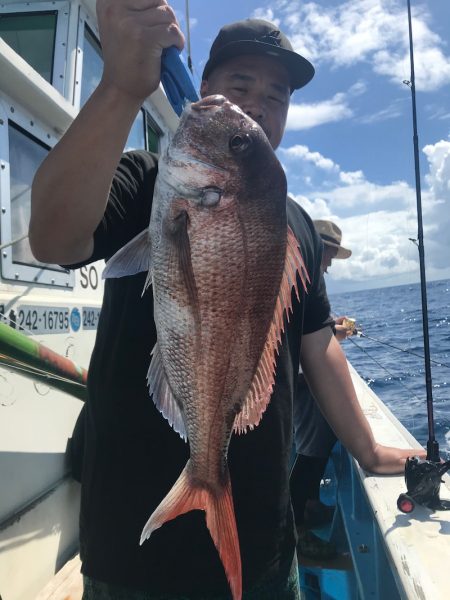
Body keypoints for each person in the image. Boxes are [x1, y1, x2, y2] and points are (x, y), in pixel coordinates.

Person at [29, 3, 423, 598]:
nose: (260, 103)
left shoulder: (295, 227)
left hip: (262, 535)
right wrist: (119, 89)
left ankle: (206, 481)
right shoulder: (144, 180)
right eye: (241, 84)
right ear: (204, 87)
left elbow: (319, 346)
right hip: (132, 545)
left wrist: (367, 450)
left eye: (278, 95)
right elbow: (54, 238)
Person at [291, 220, 354, 561]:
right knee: (311, 451)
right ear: (316, 246)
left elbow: (310, 325)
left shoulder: (303, 274)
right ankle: (299, 536)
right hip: (300, 378)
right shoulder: (300, 274)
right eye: (329, 254)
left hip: (299, 374)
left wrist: (333, 328)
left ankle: (310, 505)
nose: (329, 263)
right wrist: (334, 331)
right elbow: (304, 333)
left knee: (318, 443)